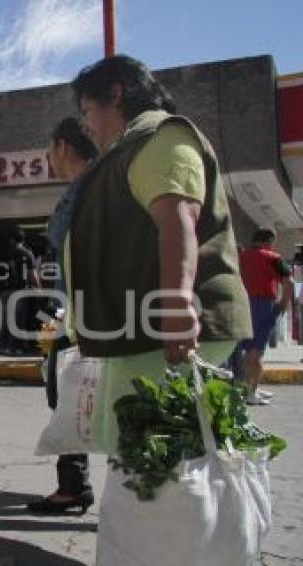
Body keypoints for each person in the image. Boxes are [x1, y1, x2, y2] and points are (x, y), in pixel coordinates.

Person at [67, 55, 252, 552]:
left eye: (88, 109)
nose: (85, 123)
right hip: (139, 330)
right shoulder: (130, 148)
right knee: (141, 459)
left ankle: (165, 551)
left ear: (118, 95)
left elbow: (177, 220)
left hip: (163, 332)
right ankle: (147, 548)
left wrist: (176, 307)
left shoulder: (160, 138)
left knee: (157, 463)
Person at [28, 117, 98, 514]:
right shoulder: (89, 186)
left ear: (63, 146)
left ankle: (73, 486)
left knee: (68, 397)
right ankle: (74, 483)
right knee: (70, 396)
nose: (49, 159)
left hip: (80, 314)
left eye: (49, 150)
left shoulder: (86, 188)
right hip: (72, 310)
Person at [233, 227, 293, 405]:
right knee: (255, 352)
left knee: (242, 350)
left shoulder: (241, 256)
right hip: (263, 306)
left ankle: (247, 389)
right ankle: (250, 393)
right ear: (269, 241)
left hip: (241, 303)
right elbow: (288, 281)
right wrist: (283, 303)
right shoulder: (273, 258)